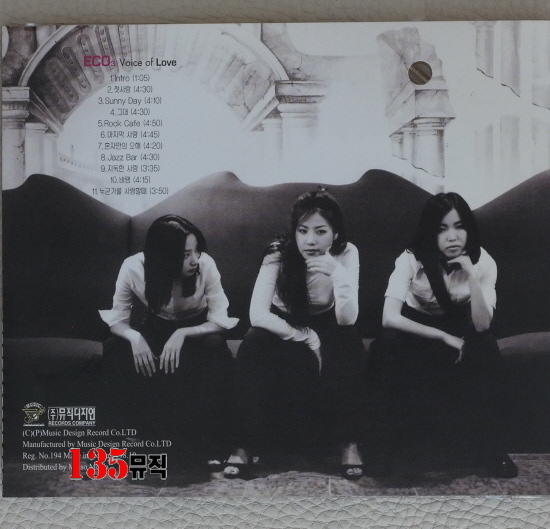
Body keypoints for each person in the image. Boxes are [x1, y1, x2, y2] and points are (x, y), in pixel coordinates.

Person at [367, 192, 518, 478]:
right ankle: (389, 454)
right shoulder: (411, 259)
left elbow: (482, 325)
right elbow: (390, 317)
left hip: (460, 324)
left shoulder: (484, 262)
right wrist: (441, 337)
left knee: (486, 348)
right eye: (442, 229)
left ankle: (493, 451)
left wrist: (471, 275)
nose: (452, 237)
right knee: (385, 347)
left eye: (459, 227)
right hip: (416, 326)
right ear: (430, 232)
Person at [225, 189, 368, 480]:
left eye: (320, 231)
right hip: (283, 325)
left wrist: (337, 272)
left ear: (335, 233)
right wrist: (307, 338)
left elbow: (346, 318)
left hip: (328, 322)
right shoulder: (278, 253)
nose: (310, 240)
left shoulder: (346, 253)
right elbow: (258, 314)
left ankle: (349, 444)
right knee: (253, 342)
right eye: (303, 231)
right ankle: (243, 446)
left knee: (349, 340)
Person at [99, 215, 238, 468]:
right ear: (163, 256)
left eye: (196, 251)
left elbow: (220, 320)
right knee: (113, 347)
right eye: (185, 255)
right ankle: (129, 441)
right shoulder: (133, 267)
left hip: (198, 329)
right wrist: (135, 336)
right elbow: (117, 319)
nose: (194, 259)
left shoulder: (206, 265)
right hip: (154, 326)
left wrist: (183, 333)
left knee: (215, 347)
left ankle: (212, 445)